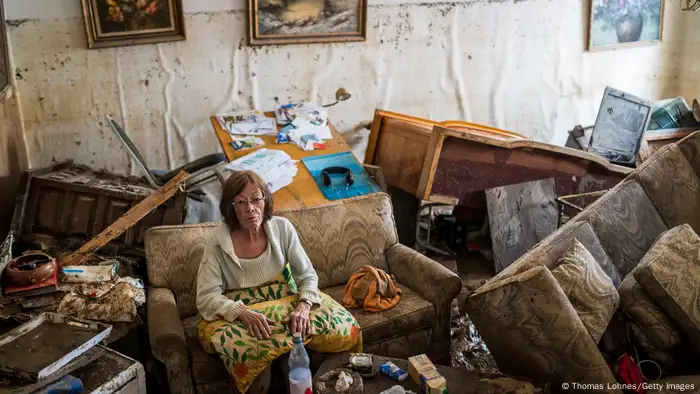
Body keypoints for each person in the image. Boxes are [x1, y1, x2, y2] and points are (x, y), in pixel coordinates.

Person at [196, 171, 362, 394]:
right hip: (239, 309)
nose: (250, 208)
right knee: (248, 348)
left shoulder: (282, 228)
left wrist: (303, 307)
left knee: (343, 325)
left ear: (266, 200)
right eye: (241, 202)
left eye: (256, 199)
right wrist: (243, 313)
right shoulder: (217, 242)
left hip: (285, 300)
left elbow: (307, 276)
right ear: (231, 207)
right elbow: (206, 297)